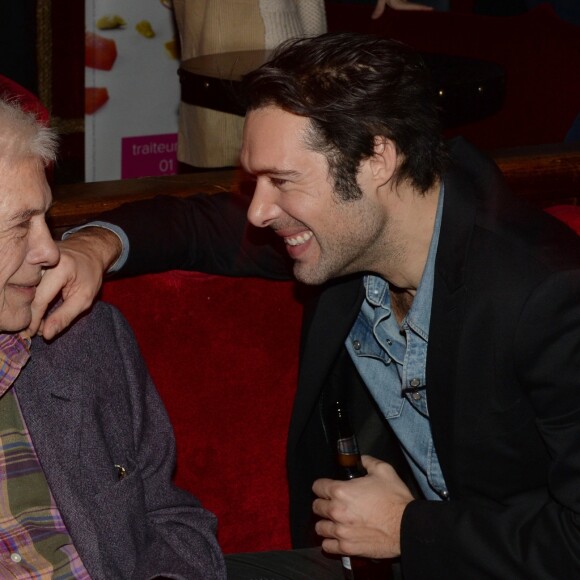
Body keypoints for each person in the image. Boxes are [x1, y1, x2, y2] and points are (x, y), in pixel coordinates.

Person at [30, 32, 580, 578]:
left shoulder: (549, 295)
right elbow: (193, 227)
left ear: (377, 158)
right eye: (256, 180)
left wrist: (407, 529)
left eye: (282, 180)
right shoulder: (352, 231)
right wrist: (93, 245)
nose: (258, 211)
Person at [0, 97, 226, 578]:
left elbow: (171, 520)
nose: (48, 250)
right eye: (21, 224)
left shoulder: (84, 339)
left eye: (47, 218)